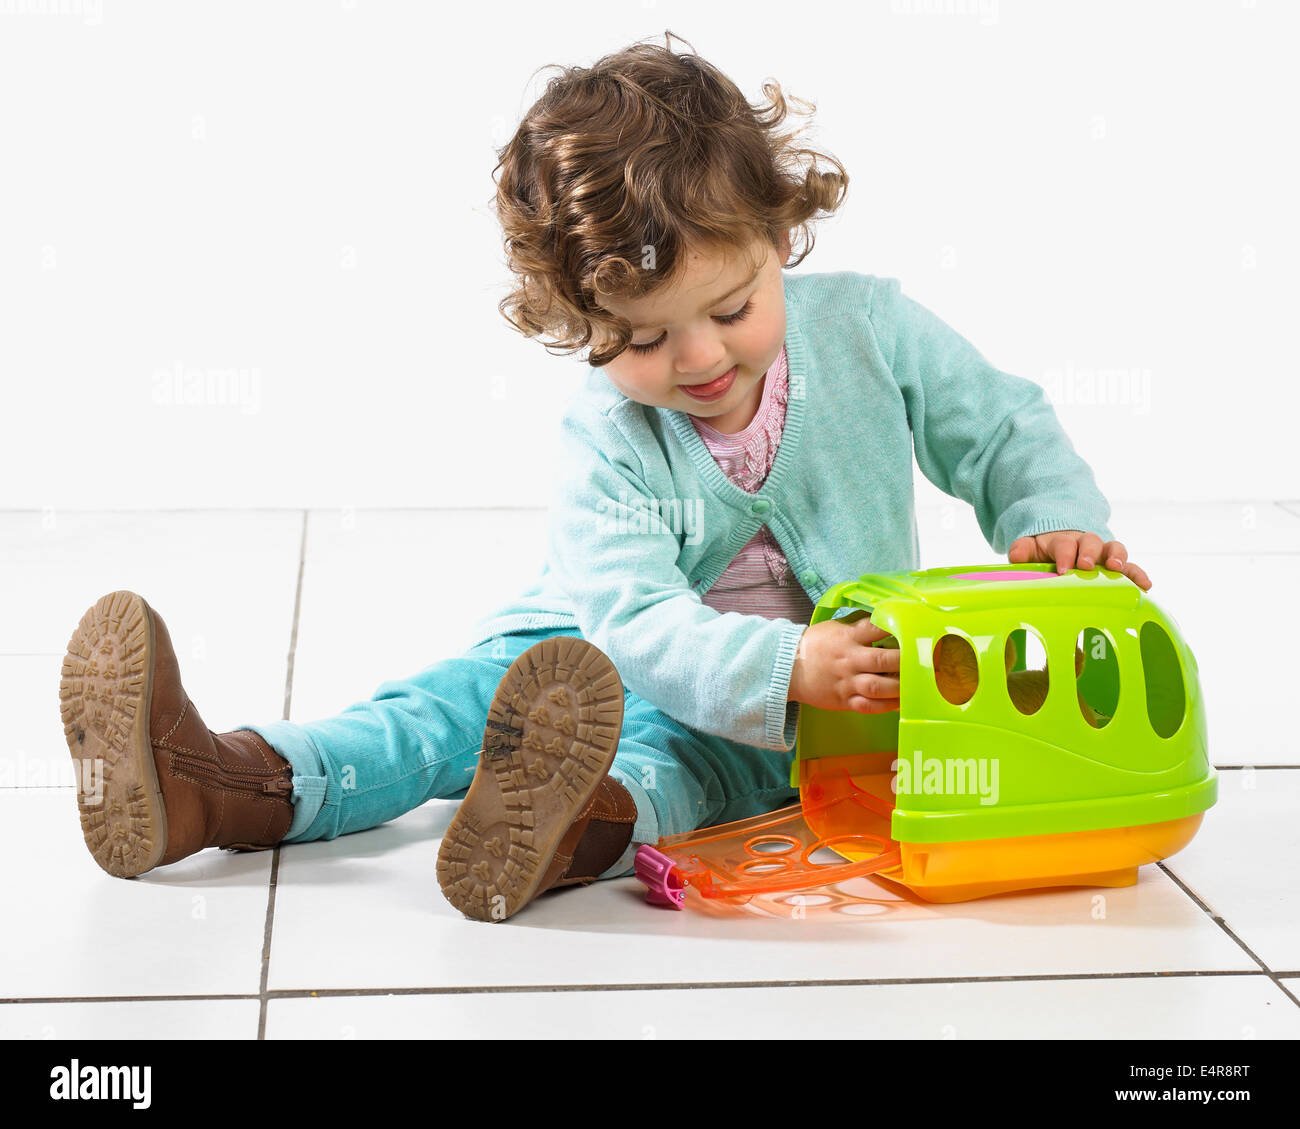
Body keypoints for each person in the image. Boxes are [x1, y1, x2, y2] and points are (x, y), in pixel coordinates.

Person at [57, 32, 1151, 923]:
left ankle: (561, 826)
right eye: (637, 339)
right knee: (431, 715)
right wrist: (782, 657)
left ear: (779, 230)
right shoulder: (602, 435)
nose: (698, 361)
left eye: (729, 309)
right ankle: (219, 784)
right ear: (576, 324)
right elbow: (628, 617)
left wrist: (1052, 522)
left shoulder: (872, 331)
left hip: (789, 715)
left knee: (674, 773)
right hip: (576, 647)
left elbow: (999, 422)